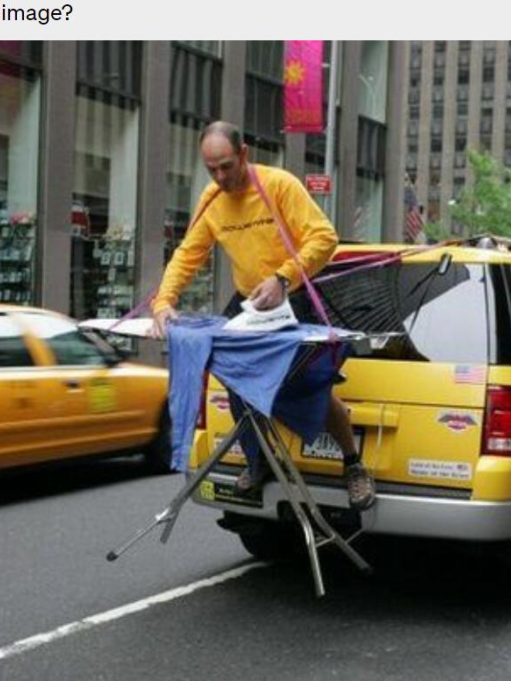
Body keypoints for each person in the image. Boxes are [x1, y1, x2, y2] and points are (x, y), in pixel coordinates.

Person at [150, 121, 375, 510]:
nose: (220, 177)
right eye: (212, 170)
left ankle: (353, 465)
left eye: (226, 166)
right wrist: (163, 302)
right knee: (236, 384)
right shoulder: (211, 199)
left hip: (294, 295)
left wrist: (282, 278)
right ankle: (258, 463)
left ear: (244, 154)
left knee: (311, 386)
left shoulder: (279, 185)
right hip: (248, 301)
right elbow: (188, 255)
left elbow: (325, 238)